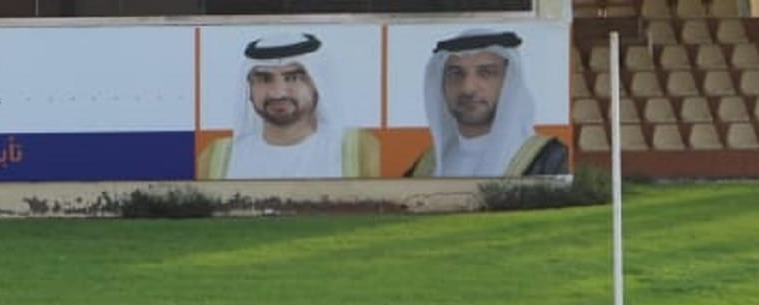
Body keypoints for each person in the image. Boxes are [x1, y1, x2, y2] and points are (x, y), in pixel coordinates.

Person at [197, 32, 379, 180]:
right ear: (249, 89)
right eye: (264, 79)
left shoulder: (360, 150)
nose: (278, 93)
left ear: (318, 84)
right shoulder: (217, 157)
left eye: (293, 78)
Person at [407, 29, 569, 179]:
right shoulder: (427, 165)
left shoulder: (549, 158)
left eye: (486, 72)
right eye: (456, 73)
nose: (468, 88)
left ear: (510, 82)